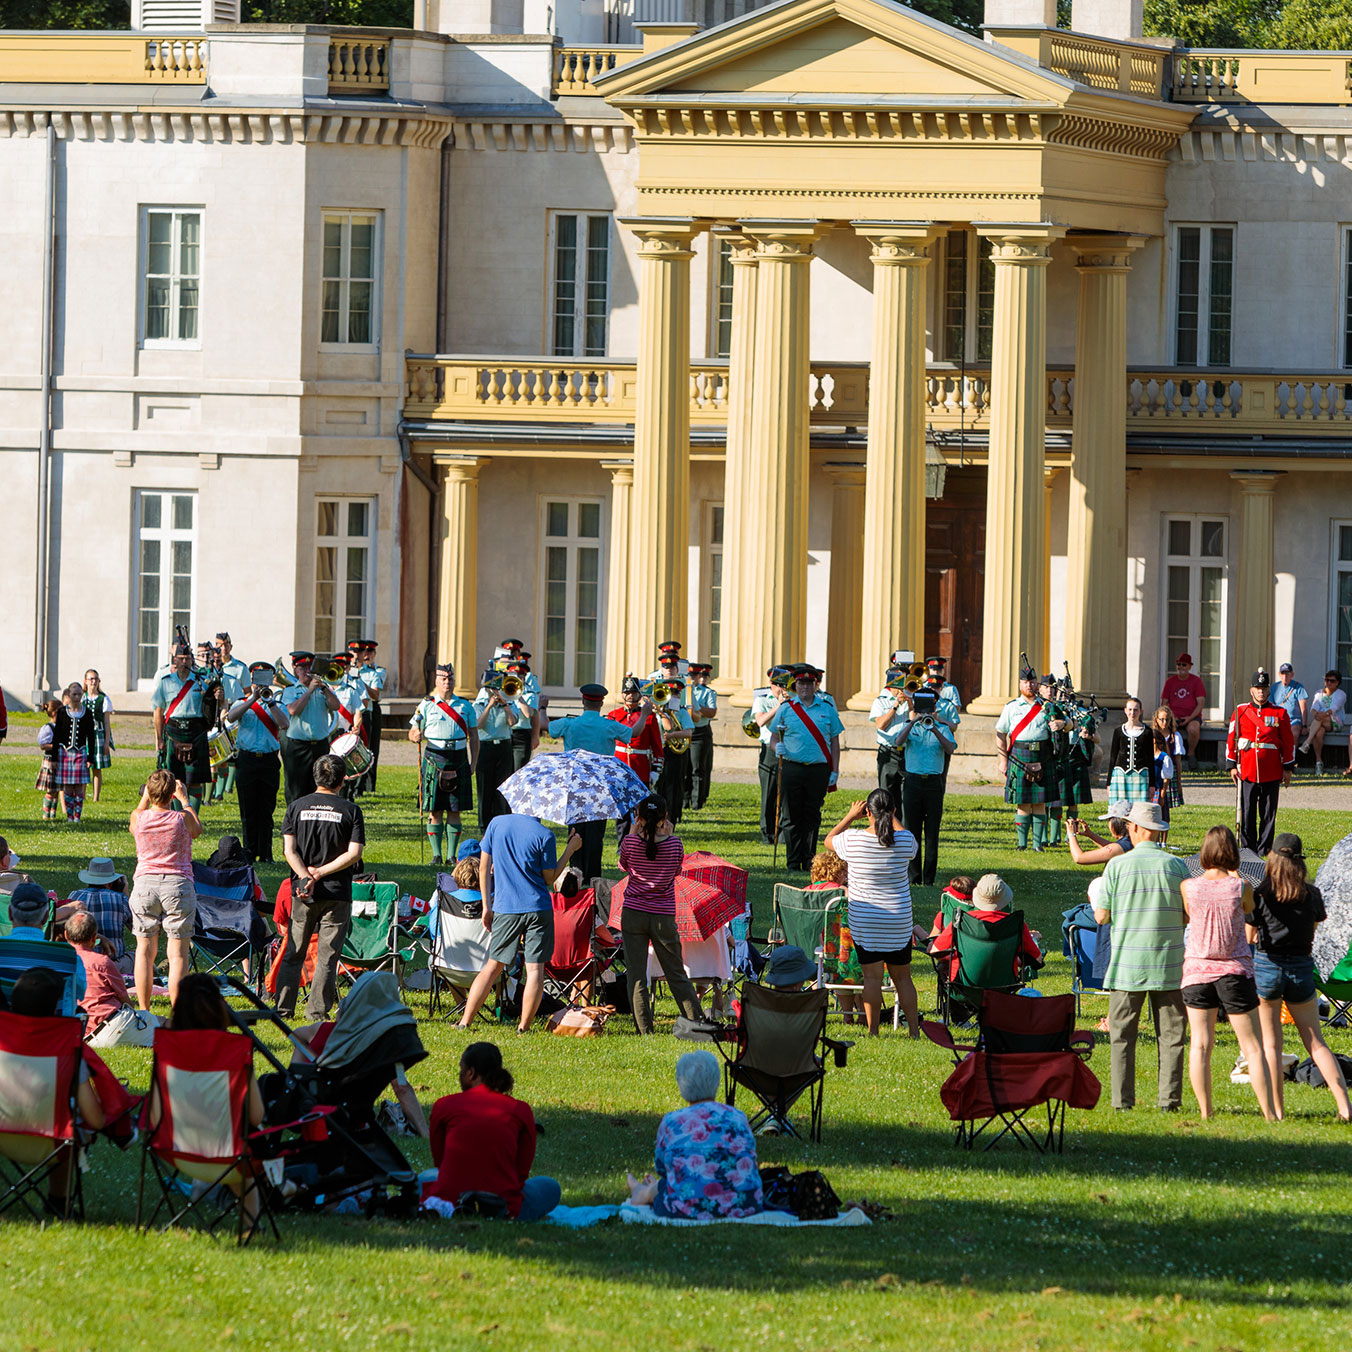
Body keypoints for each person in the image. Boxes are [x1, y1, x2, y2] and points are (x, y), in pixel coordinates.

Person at [1248, 833, 1351, 1122]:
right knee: (1316, 1042)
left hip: (1268, 967)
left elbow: (1250, 935)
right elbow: (1315, 927)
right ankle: (1344, 1106)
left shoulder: (1261, 894)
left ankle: (1277, 1113)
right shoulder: (1312, 894)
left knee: (1271, 1044)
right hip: (1301, 968)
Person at [1093, 801, 1188, 1112]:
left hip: (1126, 966)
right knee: (1172, 1037)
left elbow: (1102, 916)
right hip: (1168, 964)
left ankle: (1123, 1102)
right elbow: (1188, 916)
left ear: (1133, 828)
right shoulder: (1177, 866)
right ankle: (1169, 1102)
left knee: (1121, 1037)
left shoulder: (1116, 866)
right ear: (1159, 832)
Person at [152, 973, 265, 1230]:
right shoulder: (235, 1050)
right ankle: (251, 1225)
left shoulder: (167, 1049)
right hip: (229, 1156)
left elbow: (154, 1118)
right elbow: (257, 1116)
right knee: (247, 1155)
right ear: (220, 1010)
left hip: (175, 1151)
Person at [1180, 826, 1275, 1121]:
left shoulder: (1188, 886)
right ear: (1233, 853)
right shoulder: (1241, 886)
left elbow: (1188, 915)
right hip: (1233, 969)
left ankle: (1206, 1112)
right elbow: (1249, 908)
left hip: (1196, 969)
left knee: (1200, 1044)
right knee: (1252, 1046)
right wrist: (1236, 878)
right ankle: (1269, 1113)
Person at [455, 813, 581, 1033]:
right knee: (535, 970)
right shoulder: (545, 835)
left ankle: (465, 1022)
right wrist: (570, 849)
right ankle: (523, 1027)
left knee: (493, 966)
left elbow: (484, 868)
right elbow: (549, 879)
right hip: (538, 908)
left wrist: (486, 906)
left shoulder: (496, 823)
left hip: (506, 907)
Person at [5, 968, 107, 1213]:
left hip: (2, 1134)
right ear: (55, 1009)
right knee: (72, 1123)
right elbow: (94, 1118)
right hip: (53, 1141)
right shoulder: (66, 1048)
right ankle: (57, 1201)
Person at [424, 1042, 560, 1221]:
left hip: (450, 1199)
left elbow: (439, 1161)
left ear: (470, 1073)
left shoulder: (444, 1105)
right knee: (550, 1187)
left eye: (461, 1069)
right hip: (502, 1204)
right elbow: (521, 1172)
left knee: (424, 1177)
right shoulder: (520, 1110)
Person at [277, 754, 366, 1021]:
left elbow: (289, 850)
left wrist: (306, 877)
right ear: (342, 781)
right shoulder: (351, 811)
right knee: (328, 956)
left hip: (304, 892)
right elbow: (355, 854)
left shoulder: (296, 807)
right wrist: (322, 873)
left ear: (315, 777)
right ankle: (316, 1012)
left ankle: (282, 1009)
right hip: (337, 892)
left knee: (294, 950)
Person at [824, 790, 920, 1037]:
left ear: (867, 812)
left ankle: (874, 1031)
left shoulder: (853, 839)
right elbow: (906, 836)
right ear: (894, 811)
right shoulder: (906, 841)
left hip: (865, 919)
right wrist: (892, 814)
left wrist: (850, 816)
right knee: (903, 979)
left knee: (872, 979)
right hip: (898, 919)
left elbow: (828, 840)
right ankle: (914, 1032)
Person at [626, 1050, 762, 1219]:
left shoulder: (672, 1121)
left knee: (665, 1186)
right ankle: (652, 1190)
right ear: (716, 1082)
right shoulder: (737, 1117)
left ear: (681, 1085)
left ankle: (644, 1193)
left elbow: (662, 1167)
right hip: (746, 1204)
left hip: (687, 1208)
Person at [617, 794, 705, 1035]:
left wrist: (634, 833)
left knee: (636, 976)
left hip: (633, 912)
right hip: (663, 916)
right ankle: (696, 1022)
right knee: (675, 972)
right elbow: (676, 870)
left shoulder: (630, 842)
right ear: (665, 817)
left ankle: (644, 1030)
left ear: (640, 818)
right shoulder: (675, 844)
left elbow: (624, 866)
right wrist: (671, 834)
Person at [547, 683, 644, 880]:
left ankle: (575, 874)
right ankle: (592, 877)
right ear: (601, 704)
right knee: (595, 835)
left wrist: (540, 708)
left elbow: (548, 727)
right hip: (600, 787)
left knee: (575, 832)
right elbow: (634, 734)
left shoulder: (570, 723)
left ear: (583, 701)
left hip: (575, 785)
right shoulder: (608, 725)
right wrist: (646, 713)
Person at [128, 769, 202, 1011]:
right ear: (172, 794)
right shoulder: (182, 818)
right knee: (177, 954)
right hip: (178, 885)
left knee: (144, 952)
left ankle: (144, 1009)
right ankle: (178, 1011)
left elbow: (137, 816)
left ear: (150, 792)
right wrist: (185, 800)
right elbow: (197, 830)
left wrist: (147, 795)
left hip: (145, 886)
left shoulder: (139, 817)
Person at [766, 664, 844, 872]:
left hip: (818, 770)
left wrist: (835, 770)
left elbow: (835, 742)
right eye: (801, 683)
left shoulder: (827, 708)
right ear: (795, 684)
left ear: (815, 685)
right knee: (790, 817)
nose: (805, 687)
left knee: (811, 815)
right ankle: (793, 861)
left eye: (809, 683)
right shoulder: (786, 708)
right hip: (792, 767)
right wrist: (777, 747)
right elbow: (773, 737)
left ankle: (809, 860)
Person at [410, 662, 480, 867]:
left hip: (458, 757)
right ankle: (436, 855)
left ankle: (451, 856)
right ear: (436, 681)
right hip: (434, 757)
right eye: (443, 678)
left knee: (455, 809)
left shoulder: (465, 706)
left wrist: (473, 762)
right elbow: (413, 731)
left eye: (450, 678)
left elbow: (474, 737)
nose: (447, 682)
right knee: (435, 809)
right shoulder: (426, 704)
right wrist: (415, 735)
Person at [226, 662, 290, 864]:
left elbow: (284, 724)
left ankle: (266, 853)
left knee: (266, 810)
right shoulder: (241, 702)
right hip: (247, 760)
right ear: (252, 680)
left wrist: (269, 702)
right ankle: (249, 852)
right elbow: (231, 717)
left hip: (269, 761)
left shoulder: (277, 704)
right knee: (248, 809)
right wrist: (252, 699)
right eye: (258, 679)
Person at [1225, 669, 1294, 856]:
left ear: (1269, 690)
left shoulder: (1280, 713)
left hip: (1271, 770)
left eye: (1263, 688)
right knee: (1247, 811)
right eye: (1257, 688)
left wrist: (1287, 768)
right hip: (1247, 769)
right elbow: (1232, 737)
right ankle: (1248, 849)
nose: (1261, 691)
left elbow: (1288, 742)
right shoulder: (1241, 711)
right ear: (1251, 690)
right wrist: (1231, 765)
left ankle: (1264, 848)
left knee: (1268, 813)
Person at [930, 873, 1043, 988]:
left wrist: (958, 956)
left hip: (963, 986)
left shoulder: (961, 921)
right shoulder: (1015, 924)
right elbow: (1037, 959)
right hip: (1004, 989)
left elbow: (935, 951)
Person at [65, 910, 158, 1048]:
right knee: (154, 1021)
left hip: (77, 1031)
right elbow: (124, 998)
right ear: (94, 939)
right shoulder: (101, 962)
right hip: (111, 1026)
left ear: (66, 935)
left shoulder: (61, 961)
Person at [896, 685, 956, 887]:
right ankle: (913, 878)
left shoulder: (943, 728)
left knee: (932, 832)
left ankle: (929, 879)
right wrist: (913, 721)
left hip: (933, 783)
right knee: (911, 831)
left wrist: (935, 726)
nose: (926, 712)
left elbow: (950, 749)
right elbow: (898, 741)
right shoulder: (910, 725)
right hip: (912, 782)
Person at [993, 659, 1053, 851]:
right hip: (1019, 756)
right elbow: (1000, 733)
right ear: (1020, 684)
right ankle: (1021, 844)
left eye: (1033, 681)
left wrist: (1062, 724)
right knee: (1023, 802)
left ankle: (1038, 845)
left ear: (1037, 684)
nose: (1030, 685)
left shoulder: (1047, 706)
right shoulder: (1011, 707)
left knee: (1040, 802)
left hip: (1043, 755)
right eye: (1026, 682)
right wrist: (1003, 760)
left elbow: (1066, 723)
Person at [151, 640, 215, 813]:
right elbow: (158, 711)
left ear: (191, 660)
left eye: (187, 658)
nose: (184, 662)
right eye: (181, 658)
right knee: (174, 779)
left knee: (195, 779)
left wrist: (218, 695)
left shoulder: (202, 681)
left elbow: (212, 705)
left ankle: (192, 817)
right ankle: (178, 816)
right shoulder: (166, 682)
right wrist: (159, 739)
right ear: (175, 660)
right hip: (173, 731)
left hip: (196, 731)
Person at [474, 668, 532, 832]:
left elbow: (512, 722)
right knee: (484, 788)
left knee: (502, 787)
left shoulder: (509, 703)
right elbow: (478, 724)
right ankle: (484, 826)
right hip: (485, 747)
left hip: (504, 747)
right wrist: (489, 706)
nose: (495, 691)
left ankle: (502, 823)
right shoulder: (478, 704)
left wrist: (504, 704)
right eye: (492, 688)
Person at [279, 650, 340, 807]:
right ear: (295, 669)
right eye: (302, 668)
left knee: (320, 787)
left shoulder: (323, 689)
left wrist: (325, 689)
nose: (307, 671)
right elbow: (293, 710)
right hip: (298, 747)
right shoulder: (290, 689)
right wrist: (309, 691)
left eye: (309, 667)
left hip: (319, 745)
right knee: (296, 790)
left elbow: (336, 706)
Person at [36, 684, 97, 824]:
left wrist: (90, 757)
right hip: (65, 752)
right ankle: (69, 816)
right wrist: (56, 757)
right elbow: (57, 736)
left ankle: (77, 816)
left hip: (80, 752)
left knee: (79, 785)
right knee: (68, 786)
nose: (76, 697)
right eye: (74, 694)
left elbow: (91, 736)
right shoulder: (63, 712)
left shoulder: (87, 713)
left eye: (79, 694)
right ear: (69, 695)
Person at [751, 666, 792, 845]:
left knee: (785, 794)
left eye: (785, 685)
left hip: (788, 749)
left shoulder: (793, 700)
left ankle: (782, 834)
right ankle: (767, 833)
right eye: (777, 685)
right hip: (769, 750)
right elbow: (760, 721)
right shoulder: (762, 700)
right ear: (770, 684)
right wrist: (779, 706)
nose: (781, 689)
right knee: (768, 793)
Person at [606, 674, 665, 795]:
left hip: (640, 767)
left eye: (634, 693)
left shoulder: (649, 716)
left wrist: (654, 772)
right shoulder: (613, 715)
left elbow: (657, 747)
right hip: (618, 765)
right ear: (622, 695)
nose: (631, 696)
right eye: (627, 692)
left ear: (639, 695)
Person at [69, 856, 133, 966]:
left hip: (82, 962)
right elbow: (136, 928)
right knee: (141, 958)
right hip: (113, 963)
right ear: (111, 883)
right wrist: (125, 894)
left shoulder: (75, 896)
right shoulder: (120, 899)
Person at [653, 676, 694, 829]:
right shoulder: (657, 712)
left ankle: (672, 818)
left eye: (676, 693)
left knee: (674, 787)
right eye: (670, 692)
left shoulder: (681, 712)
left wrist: (672, 736)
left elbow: (688, 733)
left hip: (675, 754)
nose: (673, 696)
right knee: (659, 786)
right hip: (659, 752)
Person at [869, 669, 910, 813]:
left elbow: (916, 720)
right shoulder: (880, 701)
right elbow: (881, 725)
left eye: (903, 685)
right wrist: (895, 705)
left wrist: (910, 704)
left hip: (908, 753)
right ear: (890, 685)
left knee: (907, 798)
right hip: (889, 752)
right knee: (886, 797)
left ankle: (904, 832)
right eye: (897, 685)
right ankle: (887, 830)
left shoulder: (911, 699)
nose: (900, 689)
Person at [1161, 652, 1207, 770]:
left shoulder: (1196, 681)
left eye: (1184, 665)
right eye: (1179, 664)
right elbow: (1164, 703)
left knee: (1193, 729)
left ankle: (1191, 754)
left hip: (1191, 715)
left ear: (1189, 667)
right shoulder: (1170, 682)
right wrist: (1171, 717)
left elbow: (1200, 703)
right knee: (1166, 729)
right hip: (1173, 715)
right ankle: (1169, 756)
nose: (1181, 667)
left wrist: (1190, 718)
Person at [353, 639, 387, 793]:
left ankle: (365, 785)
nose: (364, 655)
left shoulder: (375, 672)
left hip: (368, 712)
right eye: (360, 652)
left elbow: (375, 695)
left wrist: (361, 682)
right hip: (348, 713)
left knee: (368, 748)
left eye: (368, 652)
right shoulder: (346, 671)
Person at [684, 662, 717, 812]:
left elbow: (712, 712)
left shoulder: (707, 692)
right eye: (690, 675)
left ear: (699, 676)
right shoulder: (682, 690)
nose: (692, 678)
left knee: (698, 768)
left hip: (699, 731)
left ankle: (697, 802)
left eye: (695, 675)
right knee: (685, 768)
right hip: (684, 730)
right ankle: (684, 800)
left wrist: (695, 708)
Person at [1301, 670, 1347, 775]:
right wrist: (1315, 714)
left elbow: (1333, 709)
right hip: (1320, 722)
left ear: (1338, 683)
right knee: (1319, 732)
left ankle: (1307, 742)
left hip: (1335, 722)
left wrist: (1320, 715)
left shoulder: (1341, 694)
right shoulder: (1319, 693)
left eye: (1332, 681)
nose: (1329, 683)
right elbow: (1313, 708)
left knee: (1320, 719)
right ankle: (1319, 762)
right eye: (1327, 680)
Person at [82, 670, 114, 803]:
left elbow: (106, 722)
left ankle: (96, 797)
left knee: (96, 768)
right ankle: (82, 796)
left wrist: (106, 742)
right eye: (90, 679)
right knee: (83, 767)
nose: (93, 682)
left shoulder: (103, 698)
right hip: (84, 735)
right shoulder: (82, 697)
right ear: (85, 681)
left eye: (95, 679)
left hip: (98, 734)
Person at [1068, 802, 1133, 866]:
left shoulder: (1123, 846)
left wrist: (1071, 834)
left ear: (1116, 822)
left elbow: (1079, 858)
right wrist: (1090, 835)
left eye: (1109, 820)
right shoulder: (1131, 842)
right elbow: (1111, 847)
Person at [1152, 705, 1185, 821]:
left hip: (1168, 772)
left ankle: (1164, 823)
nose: (1164, 722)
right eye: (1161, 719)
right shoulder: (1153, 736)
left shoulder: (1174, 737)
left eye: (1167, 720)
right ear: (1156, 720)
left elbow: (1178, 761)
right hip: (1155, 771)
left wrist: (1179, 782)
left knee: (1164, 802)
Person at [1271, 663, 1309, 756]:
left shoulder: (1298, 687)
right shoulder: (1274, 687)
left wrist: (1304, 725)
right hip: (1278, 719)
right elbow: (1270, 705)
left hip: (1293, 720)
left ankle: (1291, 759)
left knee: (1294, 735)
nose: (1285, 676)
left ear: (1292, 675)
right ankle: (1276, 758)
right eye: (1283, 674)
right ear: (1279, 674)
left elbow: (1303, 707)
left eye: (1287, 674)